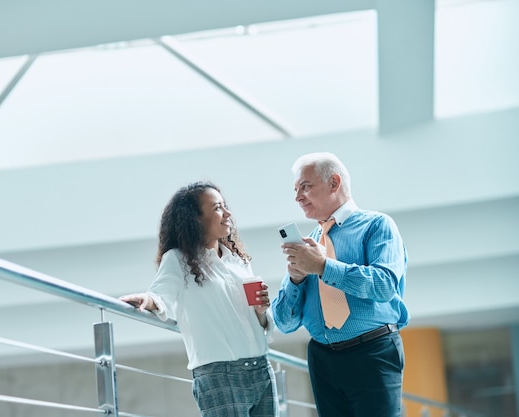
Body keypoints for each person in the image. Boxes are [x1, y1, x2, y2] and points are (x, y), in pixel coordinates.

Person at [120, 181, 279, 417]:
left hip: (261, 369)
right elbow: (160, 293)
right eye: (217, 208)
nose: (228, 213)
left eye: (225, 206)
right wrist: (147, 300)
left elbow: (261, 323)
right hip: (220, 377)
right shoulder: (178, 260)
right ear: (195, 219)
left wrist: (261, 310)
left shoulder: (238, 261)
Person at [271, 152, 409, 417]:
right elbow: (285, 323)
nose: (298, 196)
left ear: (334, 183)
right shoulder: (310, 244)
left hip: (373, 351)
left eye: (305, 186)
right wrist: (296, 279)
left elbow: (384, 285)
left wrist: (323, 267)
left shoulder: (378, 225)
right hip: (322, 358)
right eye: (296, 189)